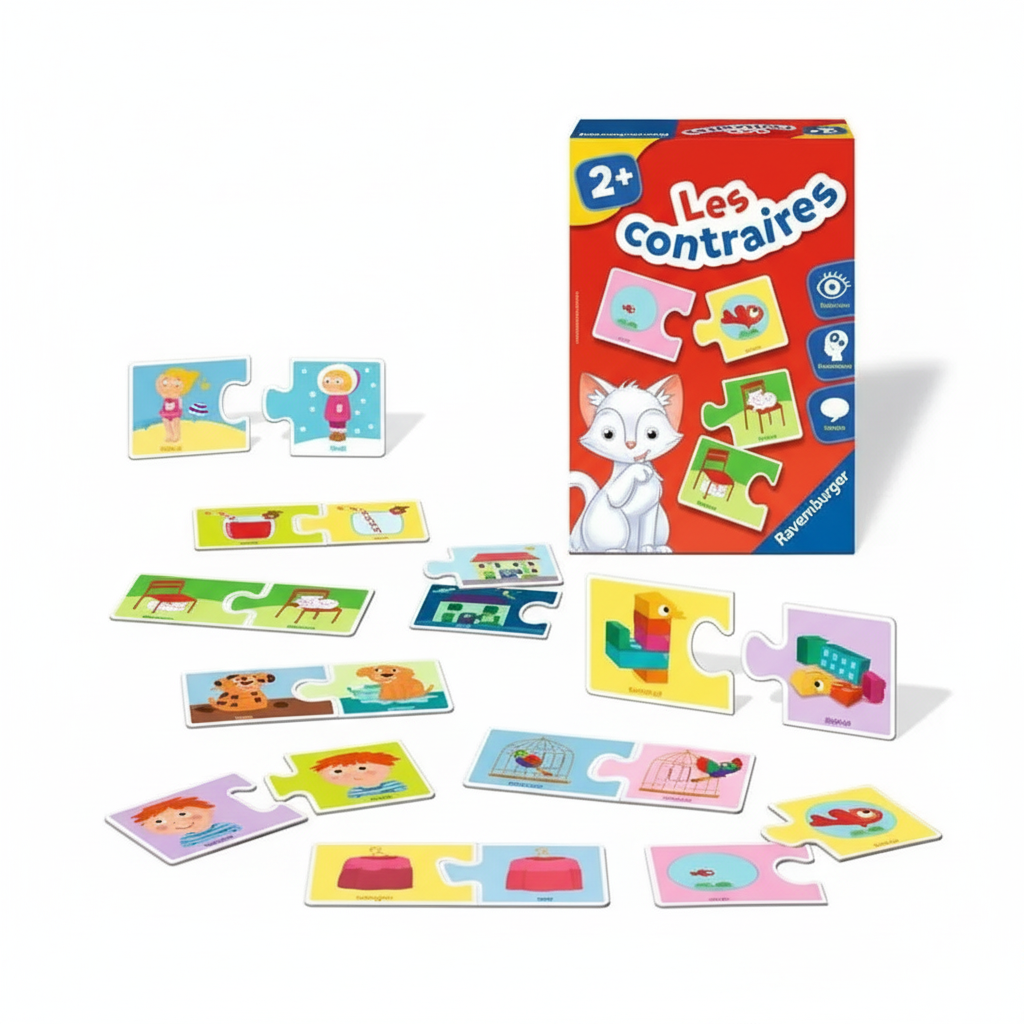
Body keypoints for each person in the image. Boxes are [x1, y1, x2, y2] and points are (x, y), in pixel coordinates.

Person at [132, 796, 242, 848]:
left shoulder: (229, 827)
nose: (176, 822)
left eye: (183, 814)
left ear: (208, 809)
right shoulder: (186, 841)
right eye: (159, 821)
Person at [311, 750, 407, 799]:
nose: (353, 775)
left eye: (362, 768)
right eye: (337, 771)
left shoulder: (395, 784)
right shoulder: (353, 792)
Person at [155, 367, 200, 443]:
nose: (170, 387)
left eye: (176, 384)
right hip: (166, 413)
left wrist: (179, 412)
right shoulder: (165, 398)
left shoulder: (178, 399)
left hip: (175, 413)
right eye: (165, 383)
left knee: (175, 423)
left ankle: (176, 436)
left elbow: (180, 406)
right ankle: (169, 435)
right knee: (166, 423)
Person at [318, 364, 359, 441]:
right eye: (327, 381)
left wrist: (340, 411)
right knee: (332, 423)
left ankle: (340, 434)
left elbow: (344, 406)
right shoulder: (331, 396)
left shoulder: (343, 397)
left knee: (341, 424)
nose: (332, 384)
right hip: (332, 415)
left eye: (337, 381)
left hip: (341, 415)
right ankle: (334, 434)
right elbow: (329, 407)